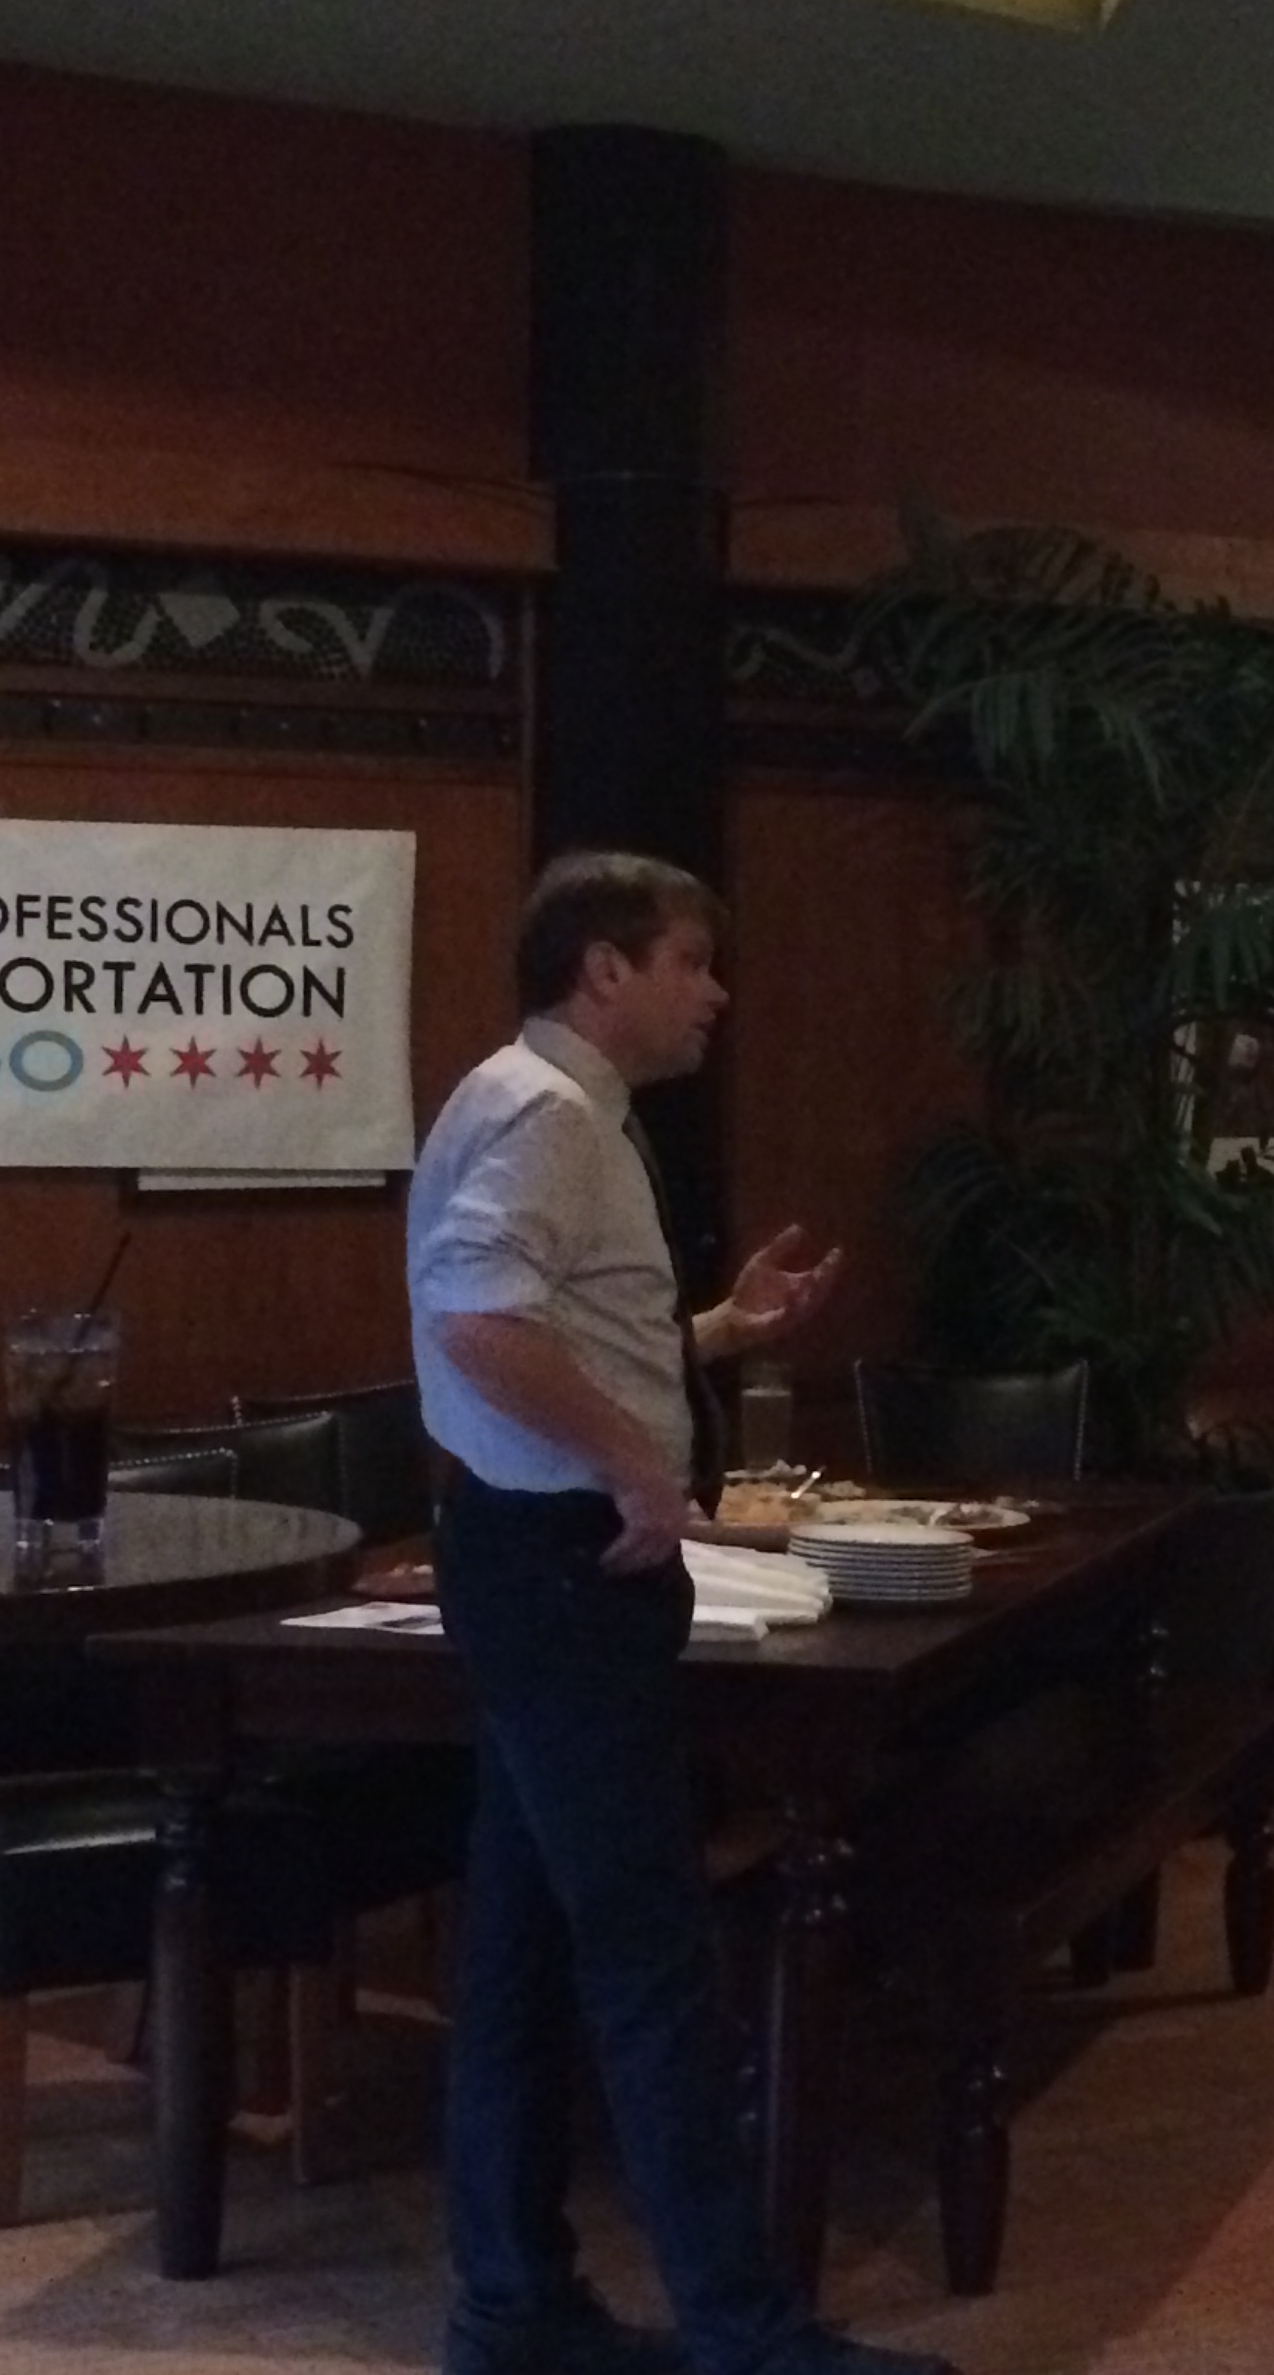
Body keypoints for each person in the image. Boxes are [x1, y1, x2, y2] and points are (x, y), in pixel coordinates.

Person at [407, 850, 953, 2375]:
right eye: (691, 962)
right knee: (654, 1963)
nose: (714, 994)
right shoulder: (544, 1111)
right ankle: (744, 2334)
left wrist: (717, 1328)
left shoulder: (542, 1102)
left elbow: (545, 1319)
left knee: (522, 1950)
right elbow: (477, 1322)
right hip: (565, 1572)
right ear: (606, 970)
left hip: (529, 1561)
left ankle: (512, 2308)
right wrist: (639, 1466)